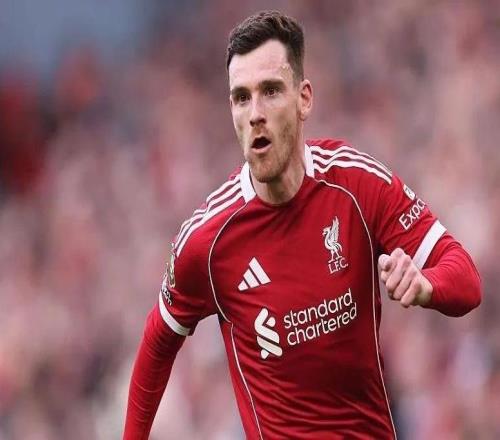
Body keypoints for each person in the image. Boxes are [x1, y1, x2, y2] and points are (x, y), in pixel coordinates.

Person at [123, 10, 481, 439]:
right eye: (241, 97)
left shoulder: (356, 185)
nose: (255, 113)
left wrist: (426, 285)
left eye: (271, 91)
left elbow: (467, 280)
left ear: (304, 98)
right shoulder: (207, 240)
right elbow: (158, 342)